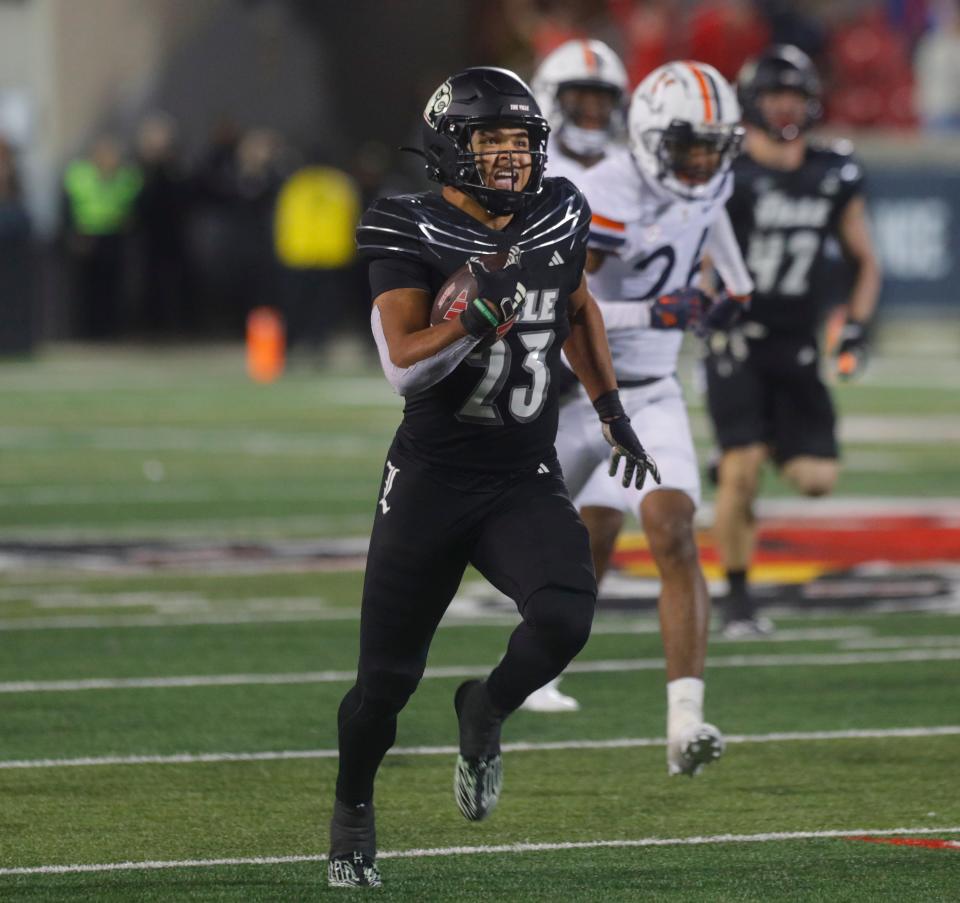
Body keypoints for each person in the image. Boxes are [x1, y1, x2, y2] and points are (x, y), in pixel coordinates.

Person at [326, 67, 660, 889]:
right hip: (434, 475)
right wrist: (469, 319)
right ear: (449, 146)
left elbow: (574, 302)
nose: (511, 159)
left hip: (520, 469)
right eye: (491, 142)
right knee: (384, 686)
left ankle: (486, 706)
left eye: (521, 142)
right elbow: (402, 368)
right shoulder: (406, 223)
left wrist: (613, 410)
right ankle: (353, 806)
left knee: (567, 616)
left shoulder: (561, 207)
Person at [552, 60, 754, 775]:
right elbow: (560, 302)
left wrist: (737, 284)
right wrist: (656, 309)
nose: (702, 163)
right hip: (578, 391)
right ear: (646, 138)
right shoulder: (604, 190)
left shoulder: (709, 178)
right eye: (687, 147)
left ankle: (684, 722)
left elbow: (714, 218)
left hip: (656, 388)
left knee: (671, 528)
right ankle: (520, 677)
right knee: (551, 542)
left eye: (712, 147)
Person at [706, 45, 881, 637]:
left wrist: (854, 323)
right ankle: (736, 600)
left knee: (816, 480)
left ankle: (744, 447)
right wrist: (708, 306)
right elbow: (699, 250)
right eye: (774, 95)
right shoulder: (727, 171)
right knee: (743, 471)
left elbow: (865, 260)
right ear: (752, 102)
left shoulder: (833, 170)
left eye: (794, 96)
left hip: (798, 339)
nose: (785, 106)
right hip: (737, 335)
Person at [520, 37, 628, 713]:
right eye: (578, 99)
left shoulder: (632, 168)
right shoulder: (521, 166)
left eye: (600, 100)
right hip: (534, 360)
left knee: (603, 518)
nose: (590, 112)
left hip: (611, 357)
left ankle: (549, 655)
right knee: (531, 514)